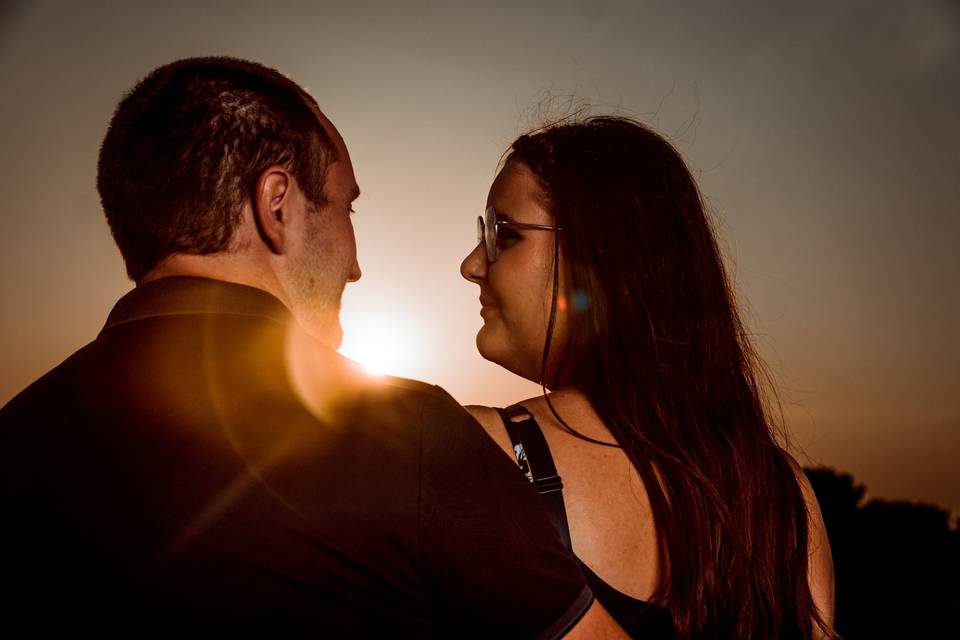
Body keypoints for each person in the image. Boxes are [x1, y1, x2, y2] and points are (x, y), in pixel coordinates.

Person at [0, 57, 624, 638]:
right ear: (276, 206)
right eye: (346, 208)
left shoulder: (18, 437)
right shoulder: (409, 436)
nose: (354, 264)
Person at [461, 116, 836, 639]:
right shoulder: (782, 497)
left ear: (597, 257)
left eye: (504, 233)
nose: (472, 264)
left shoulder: (482, 454)